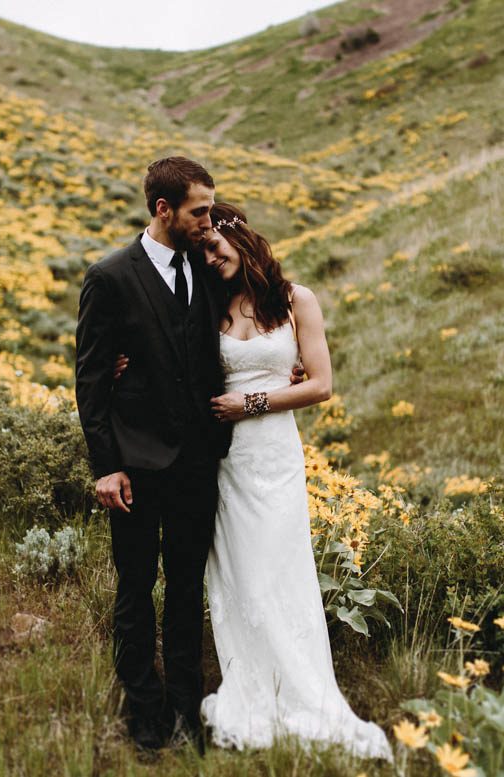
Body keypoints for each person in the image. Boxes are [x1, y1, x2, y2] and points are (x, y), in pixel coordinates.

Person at [75, 157, 304, 755]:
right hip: (134, 467)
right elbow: (92, 381)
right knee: (134, 592)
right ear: (163, 209)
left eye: (211, 209)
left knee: (184, 594)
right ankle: (143, 713)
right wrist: (105, 465)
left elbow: (245, 328)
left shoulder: (209, 275)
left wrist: (286, 367)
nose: (209, 220)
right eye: (199, 210)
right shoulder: (110, 277)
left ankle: (184, 711)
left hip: (201, 466)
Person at [198, 202, 393, 761]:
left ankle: (302, 690)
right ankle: (251, 681)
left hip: (274, 455)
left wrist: (252, 401)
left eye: (216, 245)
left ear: (239, 236)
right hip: (223, 462)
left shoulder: (293, 299)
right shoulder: (208, 304)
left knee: (281, 573)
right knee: (240, 580)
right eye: (202, 251)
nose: (210, 258)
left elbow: (321, 385)